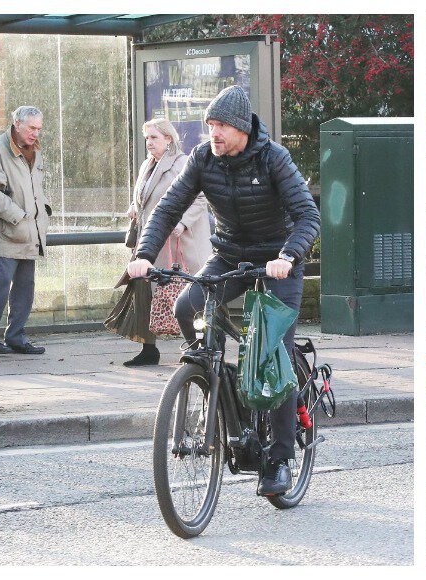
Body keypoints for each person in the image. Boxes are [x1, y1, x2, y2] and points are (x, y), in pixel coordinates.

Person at [127, 86, 320, 496]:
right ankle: (212, 374)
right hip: (230, 256)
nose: (213, 133)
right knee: (185, 306)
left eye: (221, 126)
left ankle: (281, 458)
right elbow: (167, 209)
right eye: (210, 125)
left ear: (242, 128)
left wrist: (288, 255)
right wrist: (144, 254)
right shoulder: (202, 158)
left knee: (272, 354)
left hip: (276, 263)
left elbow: (308, 216)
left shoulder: (274, 159)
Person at [120, 118, 213, 366]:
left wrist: (181, 222)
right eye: (147, 138)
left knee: (189, 296)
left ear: (168, 139)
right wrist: (133, 207)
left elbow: (201, 197)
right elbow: (143, 196)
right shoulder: (147, 165)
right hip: (152, 241)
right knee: (147, 292)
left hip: (179, 243)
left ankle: (200, 345)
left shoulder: (182, 164)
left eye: (154, 138)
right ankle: (148, 348)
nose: (149, 143)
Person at [0, 106, 52, 355]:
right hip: (6, 232)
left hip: (31, 231)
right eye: (32, 128)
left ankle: (16, 337)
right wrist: (17, 216)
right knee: (0, 285)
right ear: (17, 124)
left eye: (39, 129)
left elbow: (34, 188)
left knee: (25, 288)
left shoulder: (35, 150)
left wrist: (43, 210)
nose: (35, 133)